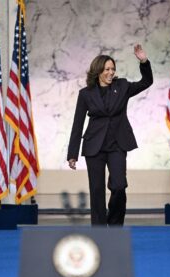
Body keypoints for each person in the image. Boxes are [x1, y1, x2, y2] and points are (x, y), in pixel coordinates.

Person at [67, 44, 153, 225]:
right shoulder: (86, 94)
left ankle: (114, 224)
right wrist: (72, 154)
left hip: (117, 145)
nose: (110, 72)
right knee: (97, 190)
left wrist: (144, 61)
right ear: (98, 71)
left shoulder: (122, 86)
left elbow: (146, 82)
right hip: (94, 147)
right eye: (107, 69)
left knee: (119, 185)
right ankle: (99, 230)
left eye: (113, 69)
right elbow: (78, 124)